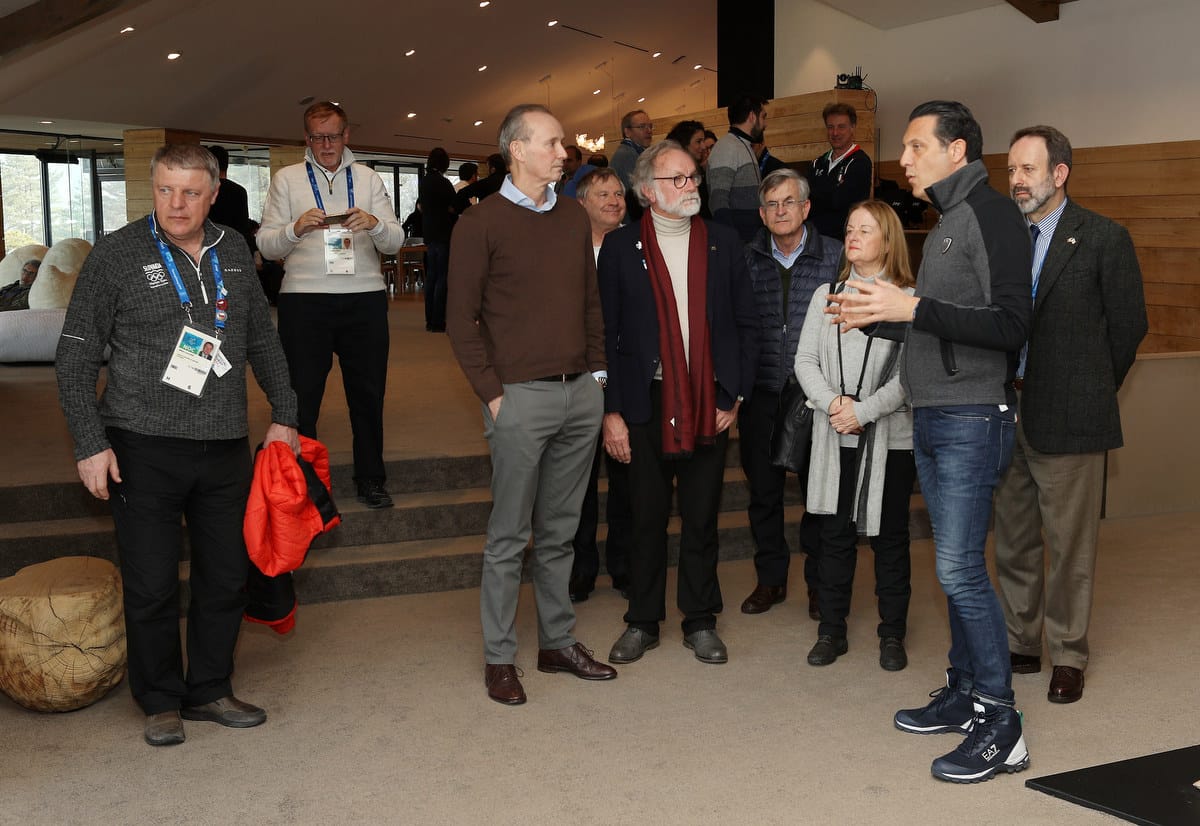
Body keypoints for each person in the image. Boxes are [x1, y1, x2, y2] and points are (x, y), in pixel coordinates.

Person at [55, 143, 300, 747]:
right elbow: (76, 354)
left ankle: (210, 688)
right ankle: (160, 699)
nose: (176, 204)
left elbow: (261, 341)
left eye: (191, 192)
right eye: (165, 190)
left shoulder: (234, 250)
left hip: (224, 445)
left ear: (214, 194)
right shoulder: (117, 253)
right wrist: (90, 443)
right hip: (141, 446)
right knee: (152, 583)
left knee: (226, 577)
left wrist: (286, 414)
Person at [827, 100, 1032, 784]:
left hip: (973, 417)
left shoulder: (992, 214)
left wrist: (909, 306)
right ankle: (965, 692)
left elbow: (1011, 325)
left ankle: (1002, 723)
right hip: (938, 415)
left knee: (959, 571)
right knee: (957, 568)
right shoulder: (948, 220)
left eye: (917, 146)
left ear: (958, 150)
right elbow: (946, 326)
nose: (904, 158)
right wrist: (880, 319)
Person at [447, 103, 617, 706]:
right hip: (518, 398)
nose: (563, 153)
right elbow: (460, 319)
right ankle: (499, 657)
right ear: (516, 150)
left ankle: (556, 643)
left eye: (563, 143)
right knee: (508, 535)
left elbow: (590, 301)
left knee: (561, 533)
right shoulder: (480, 222)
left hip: (579, 394)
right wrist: (494, 395)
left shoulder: (572, 216)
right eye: (551, 143)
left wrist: (597, 378)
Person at [994, 125, 1147, 704]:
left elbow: (1128, 327)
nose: (1016, 180)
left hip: (1071, 415)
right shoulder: (1003, 239)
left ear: (1059, 174)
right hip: (1007, 410)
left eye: (1028, 169)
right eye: (1011, 170)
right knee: (1013, 540)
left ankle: (1068, 653)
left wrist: (1090, 388)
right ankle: (1021, 642)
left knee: (1069, 548)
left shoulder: (1104, 237)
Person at [601, 140, 758, 667]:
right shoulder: (620, 247)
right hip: (643, 400)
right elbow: (606, 333)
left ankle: (700, 619)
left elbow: (745, 322)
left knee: (702, 516)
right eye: (679, 179)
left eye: (694, 176)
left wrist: (734, 395)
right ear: (648, 191)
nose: (692, 185)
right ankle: (643, 620)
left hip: (707, 397)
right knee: (644, 517)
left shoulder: (723, 241)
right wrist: (612, 412)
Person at [258, 101, 403, 510]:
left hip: (364, 298)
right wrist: (294, 229)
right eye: (318, 137)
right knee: (302, 397)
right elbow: (266, 245)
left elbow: (395, 240)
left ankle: (371, 478)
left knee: (368, 395)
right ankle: (304, 485)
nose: (326, 145)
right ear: (306, 139)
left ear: (346, 136)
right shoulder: (286, 179)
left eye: (333, 136)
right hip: (304, 301)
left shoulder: (368, 178)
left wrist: (375, 225)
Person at [794, 200, 916, 671]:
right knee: (834, 537)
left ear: (888, 239)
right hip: (834, 432)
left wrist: (863, 411)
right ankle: (831, 630)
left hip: (890, 439)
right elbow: (805, 361)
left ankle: (892, 634)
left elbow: (910, 376)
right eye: (849, 229)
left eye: (865, 229)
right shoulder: (826, 295)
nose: (853, 236)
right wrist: (834, 405)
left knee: (890, 539)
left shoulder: (907, 299)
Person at [737, 169, 841, 622]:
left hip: (816, 395)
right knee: (764, 493)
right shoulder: (745, 259)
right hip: (761, 391)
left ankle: (818, 583)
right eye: (772, 205)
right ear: (762, 215)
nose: (781, 211)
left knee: (817, 493)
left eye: (789, 202)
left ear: (806, 208)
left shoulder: (836, 256)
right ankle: (771, 580)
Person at [568, 168, 632, 602]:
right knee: (579, 481)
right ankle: (581, 568)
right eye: (603, 193)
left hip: (626, 375)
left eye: (619, 193)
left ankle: (624, 565)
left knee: (628, 480)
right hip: (578, 376)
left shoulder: (640, 245)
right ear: (582, 203)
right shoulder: (565, 249)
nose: (613, 200)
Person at [806, 103, 872, 241]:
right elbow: (806, 201)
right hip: (813, 240)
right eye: (830, 127)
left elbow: (839, 202)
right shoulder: (817, 163)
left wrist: (816, 194)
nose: (835, 133)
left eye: (841, 127)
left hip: (845, 242)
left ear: (853, 127)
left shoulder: (860, 162)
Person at [708, 94, 769, 242]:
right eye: (763, 117)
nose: (765, 124)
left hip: (749, 239)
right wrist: (731, 240)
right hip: (738, 241)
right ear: (752, 116)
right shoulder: (727, 147)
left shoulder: (742, 145)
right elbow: (718, 199)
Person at [419, 147, 456, 333]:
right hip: (443, 232)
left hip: (429, 232)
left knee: (432, 276)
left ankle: (430, 319)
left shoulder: (424, 181)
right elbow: (454, 206)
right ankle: (438, 320)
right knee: (443, 277)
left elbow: (421, 206)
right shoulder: (443, 182)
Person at [610, 109, 653, 221]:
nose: (649, 131)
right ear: (627, 132)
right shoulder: (627, 155)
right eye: (642, 127)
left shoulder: (635, 152)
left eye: (650, 126)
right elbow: (637, 198)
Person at [206, 145, 252, 243]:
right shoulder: (239, 191)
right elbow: (243, 227)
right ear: (227, 165)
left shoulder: (203, 190)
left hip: (207, 243)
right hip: (234, 243)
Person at [666, 120, 711, 218]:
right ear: (684, 144)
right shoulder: (675, 174)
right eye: (698, 141)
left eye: (703, 141)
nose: (704, 146)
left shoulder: (700, 169)